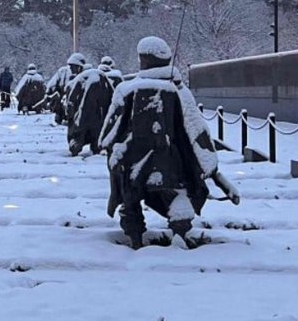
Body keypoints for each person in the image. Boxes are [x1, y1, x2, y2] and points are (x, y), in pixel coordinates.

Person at [99, 36, 240, 249]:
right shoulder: (179, 91)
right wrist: (210, 166)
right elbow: (196, 130)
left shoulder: (126, 90)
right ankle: (179, 236)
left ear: (142, 60)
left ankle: (135, 240)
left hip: (132, 166)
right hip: (171, 164)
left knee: (130, 200)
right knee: (178, 196)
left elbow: (108, 134)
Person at [64, 59, 115, 155]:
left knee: (79, 134)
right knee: (96, 134)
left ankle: (76, 146)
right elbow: (113, 94)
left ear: (79, 68)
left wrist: (69, 115)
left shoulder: (81, 78)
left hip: (84, 116)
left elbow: (72, 99)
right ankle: (95, 146)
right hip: (99, 115)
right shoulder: (101, 76)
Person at [44, 52, 86, 125]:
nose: (71, 69)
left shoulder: (84, 76)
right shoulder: (64, 72)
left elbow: (51, 86)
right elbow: (52, 86)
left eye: (74, 67)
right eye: (71, 67)